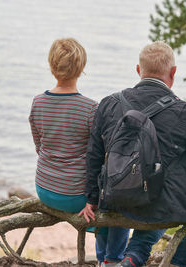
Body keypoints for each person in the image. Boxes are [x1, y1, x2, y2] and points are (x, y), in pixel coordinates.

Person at [80, 41, 186, 267]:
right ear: (173, 72)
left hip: (118, 200)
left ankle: (132, 258)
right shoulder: (184, 111)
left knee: (157, 203)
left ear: (138, 71)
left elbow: (93, 156)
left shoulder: (108, 104)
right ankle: (176, 262)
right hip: (165, 204)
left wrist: (92, 198)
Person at [29, 38, 129, 267]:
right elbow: (98, 158)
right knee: (115, 204)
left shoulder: (37, 103)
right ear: (82, 68)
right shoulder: (90, 108)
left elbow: (39, 147)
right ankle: (110, 260)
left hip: (44, 189)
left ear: (51, 66)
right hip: (77, 197)